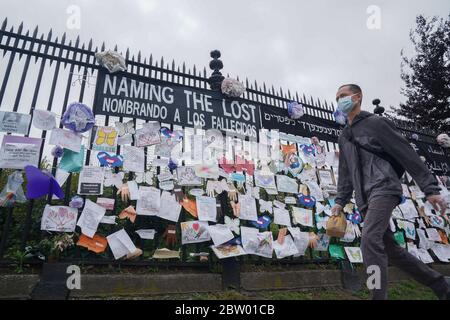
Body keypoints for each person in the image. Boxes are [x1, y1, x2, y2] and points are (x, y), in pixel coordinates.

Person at [331, 84, 450, 300]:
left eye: (344, 96)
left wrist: (430, 188)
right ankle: (441, 285)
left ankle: (377, 296)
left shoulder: (376, 123)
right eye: (337, 97)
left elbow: (406, 153)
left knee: (368, 239)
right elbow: (345, 173)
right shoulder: (344, 137)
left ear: (358, 97)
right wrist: (340, 201)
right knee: (392, 250)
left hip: (384, 187)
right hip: (364, 198)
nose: (340, 100)